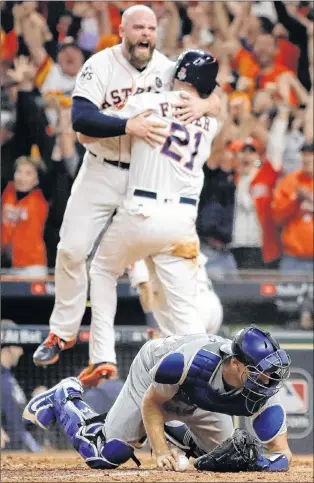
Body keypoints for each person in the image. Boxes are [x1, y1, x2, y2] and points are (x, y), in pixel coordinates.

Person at [33, 5, 220, 374]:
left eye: (151, 28)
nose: (145, 34)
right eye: (138, 28)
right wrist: (126, 127)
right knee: (71, 249)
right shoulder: (100, 64)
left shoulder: (167, 69)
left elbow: (214, 96)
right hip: (102, 170)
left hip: (143, 174)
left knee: (133, 263)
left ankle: (166, 349)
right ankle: (63, 331)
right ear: (122, 30)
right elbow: (81, 119)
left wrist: (205, 102)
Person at [78, 48, 220, 387]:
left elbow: (86, 131)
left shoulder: (149, 102)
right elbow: (217, 104)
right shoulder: (211, 121)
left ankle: (103, 356)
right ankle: (211, 394)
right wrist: (207, 103)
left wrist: (125, 126)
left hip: (142, 213)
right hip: (182, 223)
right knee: (186, 327)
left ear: (177, 77)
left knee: (101, 269)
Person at [23, 326, 292, 472]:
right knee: (106, 455)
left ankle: (175, 433)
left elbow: (282, 453)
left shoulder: (263, 391)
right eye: (262, 373)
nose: (268, 381)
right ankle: (64, 396)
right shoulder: (185, 364)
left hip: (201, 398)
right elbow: (152, 404)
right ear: (235, 363)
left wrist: (261, 463)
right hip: (155, 373)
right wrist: (161, 452)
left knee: (221, 459)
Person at [128, 254, 223, 338]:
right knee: (208, 353)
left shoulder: (140, 244)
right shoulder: (178, 235)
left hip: (188, 306)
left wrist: (153, 326)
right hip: (210, 301)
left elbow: (145, 287)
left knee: (183, 352)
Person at [1, 156, 48, 278]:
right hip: (7, 266)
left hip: (33, 266)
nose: (22, 177)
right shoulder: (7, 191)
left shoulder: (41, 197)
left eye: (28, 173)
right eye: (19, 172)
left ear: (36, 179)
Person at [1, 320, 42, 452]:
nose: (21, 351)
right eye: (18, 346)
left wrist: (35, 402)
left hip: (19, 449)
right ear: (8, 345)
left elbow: (17, 418)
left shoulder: (9, 377)